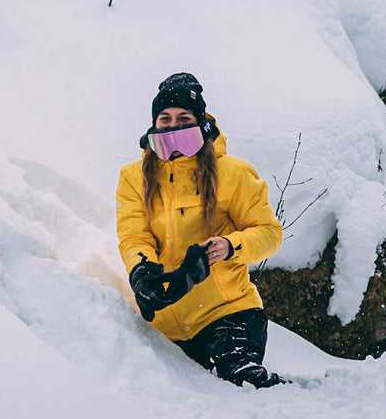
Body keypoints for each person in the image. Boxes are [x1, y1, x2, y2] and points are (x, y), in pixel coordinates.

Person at [115, 72, 286, 387]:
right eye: (164, 118)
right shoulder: (132, 178)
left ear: (199, 121)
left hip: (229, 312)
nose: (172, 124)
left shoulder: (233, 172)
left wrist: (229, 245)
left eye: (183, 117)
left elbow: (269, 233)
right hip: (166, 325)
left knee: (240, 380)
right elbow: (134, 235)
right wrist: (141, 269)